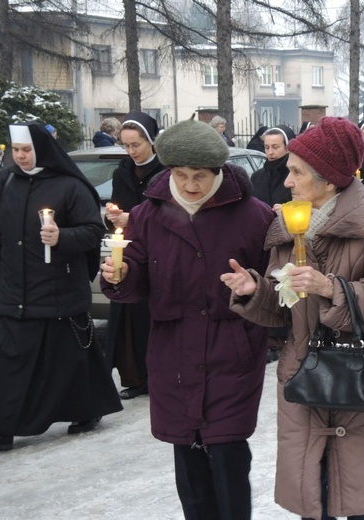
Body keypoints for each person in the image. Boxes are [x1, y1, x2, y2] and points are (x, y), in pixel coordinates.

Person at [221, 116, 364, 519]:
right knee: (314, 496)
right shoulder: (287, 225)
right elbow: (284, 305)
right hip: (306, 370)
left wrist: (331, 287)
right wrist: (256, 290)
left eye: (296, 172)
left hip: (361, 370)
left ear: (330, 179)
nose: (287, 181)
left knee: (360, 492)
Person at [100, 117, 274, 519]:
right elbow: (135, 280)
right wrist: (120, 277)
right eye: (181, 175)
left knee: (228, 454)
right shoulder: (147, 215)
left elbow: (277, 287)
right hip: (173, 353)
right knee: (188, 461)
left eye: (200, 176)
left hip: (232, 352)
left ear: (218, 172)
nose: (190, 185)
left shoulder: (255, 216)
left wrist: (256, 287)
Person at [0, 122, 122, 451]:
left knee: (71, 359)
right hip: (14, 288)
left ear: (41, 150)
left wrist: (61, 236)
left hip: (58, 288)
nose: (20, 157)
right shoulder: (6, 181)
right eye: (16, 151)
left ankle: (88, 409)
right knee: (7, 359)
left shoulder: (69, 186)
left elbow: (93, 232)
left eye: (27, 151)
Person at [104, 111, 163, 399]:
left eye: (136, 145)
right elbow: (117, 208)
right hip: (128, 250)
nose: (131, 152)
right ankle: (135, 376)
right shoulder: (122, 171)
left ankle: (158, 376)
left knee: (150, 318)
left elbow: (168, 214)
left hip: (158, 252)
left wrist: (134, 219)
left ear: (150, 141)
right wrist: (112, 216)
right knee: (127, 319)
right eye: (126, 146)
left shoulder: (165, 171)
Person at [250, 125, 297, 363]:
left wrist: (286, 209)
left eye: (275, 146)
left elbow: (307, 202)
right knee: (266, 285)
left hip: (288, 241)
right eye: (267, 147)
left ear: (287, 146)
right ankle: (268, 336)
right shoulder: (257, 176)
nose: (270, 152)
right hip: (261, 240)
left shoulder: (294, 174)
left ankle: (283, 335)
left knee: (285, 284)